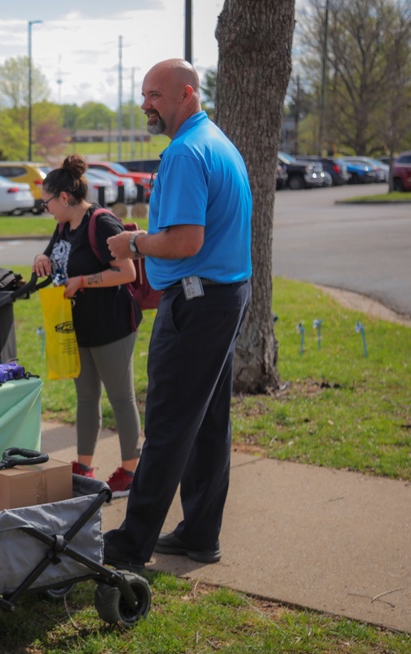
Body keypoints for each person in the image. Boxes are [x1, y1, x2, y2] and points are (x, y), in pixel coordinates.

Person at [102, 58, 252, 572]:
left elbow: (187, 241)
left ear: (186, 94)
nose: (146, 104)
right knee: (208, 422)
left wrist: (133, 242)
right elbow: (192, 232)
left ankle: (129, 547)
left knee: (168, 424)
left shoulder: (187, 152)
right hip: (221, 295)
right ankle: (199, 534)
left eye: (156, 95)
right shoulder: (214, 141)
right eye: (144, 95)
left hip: (196, 300)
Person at [32, 154, 143, 497]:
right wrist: (43, 258)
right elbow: (57, 255)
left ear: (64, 198)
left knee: (121, 398)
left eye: (47, 201)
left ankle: (131, 472)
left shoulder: (102, 223)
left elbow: (127, 273)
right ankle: (83, 467)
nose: (45, 207)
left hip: (112, 325)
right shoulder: (64, 225)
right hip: (79, 325)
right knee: (86, 398)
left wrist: (82, 281)